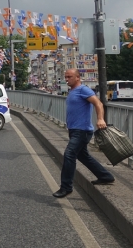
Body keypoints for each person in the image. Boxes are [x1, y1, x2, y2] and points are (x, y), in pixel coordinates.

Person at [53, 68, 115, 198]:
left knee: (69, 154)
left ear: (77, 77)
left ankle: (66, 187)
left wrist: (100, 118)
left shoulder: (84, 90)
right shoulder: (72, 91)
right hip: (74, 130)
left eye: (69, 76)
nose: (67, 79)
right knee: (83, 156)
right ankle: (105, 176)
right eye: (66, 77)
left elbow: (98, 103)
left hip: (82, 130)